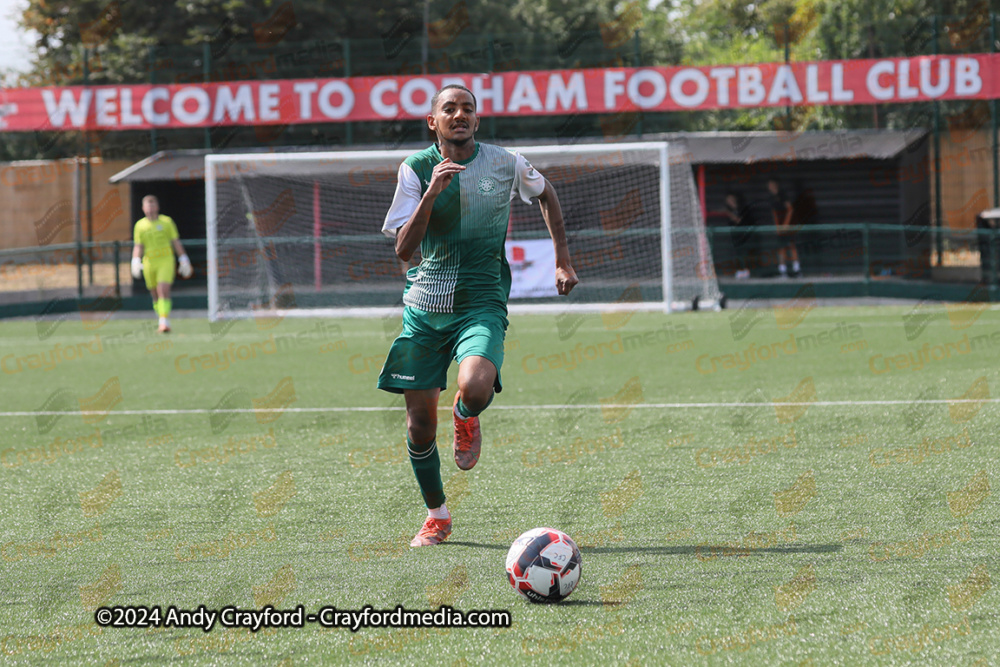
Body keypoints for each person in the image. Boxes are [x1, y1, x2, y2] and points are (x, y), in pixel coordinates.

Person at [379, 84, 579, 547]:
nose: (459, 114)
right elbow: (403, 249)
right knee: (417, 425)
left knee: (475, 385)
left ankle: (466, 415)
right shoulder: (415, 170)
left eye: (467, 108)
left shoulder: (505, 163)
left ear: (477, 119)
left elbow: (547, 192)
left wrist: (562, 259)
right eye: (449, 109)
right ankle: (438, 517)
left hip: (481, 302)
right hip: (424, 310)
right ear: (433, 122)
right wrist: (433, 191)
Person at [130, 195, 192, 332]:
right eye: (147, 206)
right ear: (143, 208)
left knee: (163, 289)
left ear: (157, 207)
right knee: (154, 293)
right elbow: (138, 245)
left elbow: (175, 241)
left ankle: (164, 322)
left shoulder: (167, 222)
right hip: (149, 262)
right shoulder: (140, 225)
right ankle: (161, 318)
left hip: (165, 260)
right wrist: (135, 260)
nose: (150, 209)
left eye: (152, 206)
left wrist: (183, 259)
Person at [768, 178, 801, 278]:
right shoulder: (771, 198)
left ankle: (797, 270)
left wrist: (786, 225)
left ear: (776, 185)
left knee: (792, 246)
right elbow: (774, 213)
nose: (770, 187)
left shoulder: (783, 195)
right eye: (769, 185)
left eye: (772, 185)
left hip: (788, 226)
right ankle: (783, 272)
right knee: (781, 248)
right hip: (780, 228)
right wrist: (777, 227)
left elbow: (790, 209)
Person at [723, 192, 757, 279]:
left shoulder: (741, 209)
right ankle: (739, 271)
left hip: (744, 235)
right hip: (734, 236)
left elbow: (739, 220)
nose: (730, 201)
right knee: (736, 253)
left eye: (732, 199)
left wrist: (729, 213)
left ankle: (746, 271)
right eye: (728, 200)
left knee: (744, 253)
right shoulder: (728, 209)